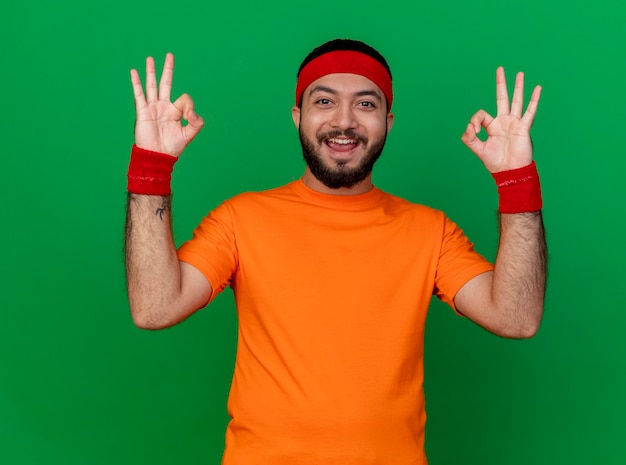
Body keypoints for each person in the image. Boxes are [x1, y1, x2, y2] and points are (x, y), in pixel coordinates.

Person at [125, 39, 546, 465]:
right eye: (324, 101)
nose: (344, 121)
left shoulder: (429, 230)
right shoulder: (240, 220)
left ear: (388, 121)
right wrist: (151, 166)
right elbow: (155, 308)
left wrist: (516, 180)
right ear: (298, 117)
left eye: (365, 104)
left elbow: (515, 317)